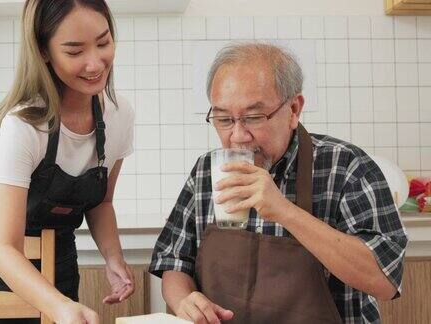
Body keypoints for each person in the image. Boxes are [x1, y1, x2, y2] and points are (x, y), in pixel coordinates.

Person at [149, 42, 408, 324]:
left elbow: (385, 279)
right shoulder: (205, 171)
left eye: (253, 117)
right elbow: (174, 262)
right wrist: (185, 300)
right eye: (223, 119)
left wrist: (284, 210)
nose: (237, 136)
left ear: (294, 109)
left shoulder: (347, 167)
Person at [0, 1, 135, 323]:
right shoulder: (24, 124)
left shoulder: (120, 116)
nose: (94, 63)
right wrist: (58, 305)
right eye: (75, 52)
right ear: (44, 52)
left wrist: (113, 258)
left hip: (55, 248)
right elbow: (4, 250)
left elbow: (101, 202)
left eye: (103, 42)